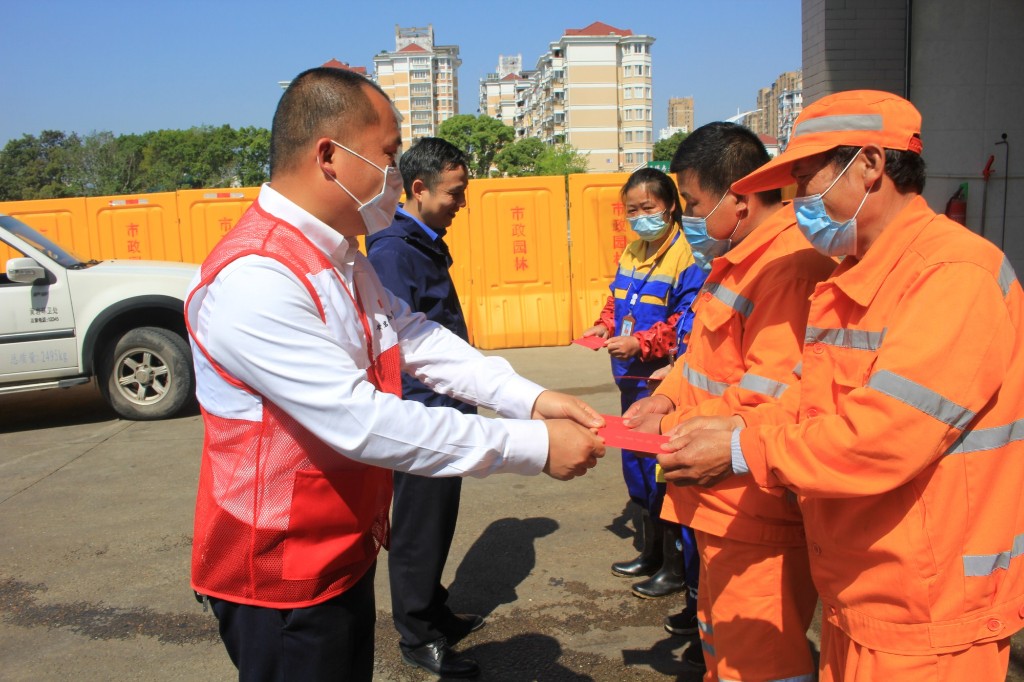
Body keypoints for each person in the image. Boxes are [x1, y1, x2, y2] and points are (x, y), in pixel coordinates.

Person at [184, 66, 605, 682]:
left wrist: (528, 398)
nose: (394, 175)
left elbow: (412, 336)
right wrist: (531, 446)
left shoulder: (341, 257)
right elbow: (360, 421)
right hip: (276, 571)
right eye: (386, 155)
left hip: (337, 551)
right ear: (329, 156)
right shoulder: (257, 277)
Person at [657, 90, 1024, 681]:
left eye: (806, 180)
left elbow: (882, 436)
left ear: (871, 165)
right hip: (862, 590)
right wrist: (735, 424)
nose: (798, 201)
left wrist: (738, 448)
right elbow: (810, 401)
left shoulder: (952, 276)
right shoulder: (854, 277)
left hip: (929, 609)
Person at [624, 122, 836, 679]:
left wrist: (674, 427)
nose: (685, 217)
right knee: (724, 650)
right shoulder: (737, 259)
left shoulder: (788, 268)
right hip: (719, 504)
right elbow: (704, 361)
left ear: (736, 199)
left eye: (691, 202)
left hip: (756, 507)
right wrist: (665, 401)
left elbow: (771, 397)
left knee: (760, 662)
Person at [364, 137, 485, 678]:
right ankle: (416, 633)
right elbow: (402, 347)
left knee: (439, 521)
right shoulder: (393, 251)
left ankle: (432, 608)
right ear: (419, 187)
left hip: (447, 409)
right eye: (454, 194)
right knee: (417, 527)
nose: (460, 203)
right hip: (423, 414)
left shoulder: (422, 242)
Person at [582, 168, 705, 600]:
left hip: (661, 381)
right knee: (636, 471)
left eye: (648, 208)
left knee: (663, 473)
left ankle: (676, 569)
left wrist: (641, 341)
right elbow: (617, 298)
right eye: (632, 210)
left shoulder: (687, 254)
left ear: (670, 205)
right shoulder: (633, 249)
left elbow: (687, 318)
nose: (639, 217)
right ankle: (652, 553)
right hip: (630, 379)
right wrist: (604, 325)